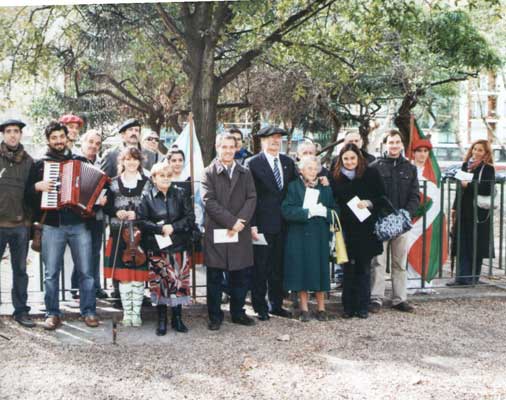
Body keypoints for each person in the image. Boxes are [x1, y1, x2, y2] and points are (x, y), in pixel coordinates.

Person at [26, 121, 99, 330]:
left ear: (68, 137)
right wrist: (36, 187)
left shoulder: (80, 160)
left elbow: (97, 187)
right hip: (51, 225)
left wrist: (99, 198)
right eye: (54, 138)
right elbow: (28, 196)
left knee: (86, 271)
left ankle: (88, 310)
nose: (58, 141)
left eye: (61, 137)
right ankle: (52, 313)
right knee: (51, 273)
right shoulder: (41, 164)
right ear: (48, 141)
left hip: (79, 224)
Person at [201, 133, 257, 330]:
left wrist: (240, 222)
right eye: (223, 147)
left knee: (240, 275)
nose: (227, 150)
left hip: (239, 230)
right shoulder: (208, 172)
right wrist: (232, 221)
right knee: (215, 276)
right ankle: (215, 316)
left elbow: (252, 197)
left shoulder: (245, 172)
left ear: (236, 148)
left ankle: (237, 312)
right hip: (217, 229)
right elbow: (209, 201)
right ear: (218, 147)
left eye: (231, 147)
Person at [245, 125, 297, 320]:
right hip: (262, 223)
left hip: (283, 224)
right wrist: (253, 224)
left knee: (278, 266)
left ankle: (276, 304)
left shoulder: (287, 162)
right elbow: (250, 197)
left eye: (278, 138)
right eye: (271, 138)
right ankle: (260, 306)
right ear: (262, 140)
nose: (275, 141)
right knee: (261, 267)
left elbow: (294, 190)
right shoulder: (252, 163)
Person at [138, 162, 195, 335]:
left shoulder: (180, 193)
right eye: (162, 176)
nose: (165, 179)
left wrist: (174, 227)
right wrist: (159, 228)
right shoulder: (146, 196)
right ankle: (161, 319)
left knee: (178, 284)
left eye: (168, 176)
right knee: (161, 284)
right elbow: (141, 221)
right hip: (157, 247)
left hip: (179, 244)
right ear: (154, 178)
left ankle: (177, 318)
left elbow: (190, 217)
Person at [331, 144, 386, 318]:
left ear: (359, 158)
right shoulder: (335, 176)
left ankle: (362, 306)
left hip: (365, 228)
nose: (349, 162)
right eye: (346, 158)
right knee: (347, 269)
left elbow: (382, 197)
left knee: (363, 268)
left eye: (352, 158)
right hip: (345, 229)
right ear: (341, 160)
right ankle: (348, 307)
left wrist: (368, 203)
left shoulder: (371, 174)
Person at [369, 130, 419, 313]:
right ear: (385, 144)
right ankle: (376, 298)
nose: (394, 145)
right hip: (382, 222)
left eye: (397, 142)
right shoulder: (375, 167)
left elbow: (415, 195)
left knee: (400, 262)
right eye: (391, 142)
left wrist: (406, 214)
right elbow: (372, 194)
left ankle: (399, 299)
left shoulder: (410, 168)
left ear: (402, 144)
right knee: (378, 262)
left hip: (402, 223)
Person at [282, 155, 335, 321]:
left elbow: (335, 210)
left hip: (319, 235)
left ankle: (321, 308)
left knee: (320, 269)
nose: (312, 172)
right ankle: (304, 308)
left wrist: (325, 212)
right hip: (299, 235)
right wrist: (307, 213)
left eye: (315, 168)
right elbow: (286, 210)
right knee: (301, 270)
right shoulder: (293, 187)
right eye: (309, 168)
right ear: (301, 170)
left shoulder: (325, 187)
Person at [103, 147, 150, 326]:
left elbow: (149, 206)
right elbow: (106, 206)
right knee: (124, 275)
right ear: (122, 161)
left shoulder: (147, 182)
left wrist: (137, 214)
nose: (131, 162)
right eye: (128, 159)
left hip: (139, 235)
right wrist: (117, 211)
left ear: (140, 162)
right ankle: (127, 314)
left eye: (135, 159)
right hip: (118, 232)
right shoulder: (113, 182)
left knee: (138, 275)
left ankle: (136, 314)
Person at [0, 119, 35, 328]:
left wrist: (28, 221)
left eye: (16, 131)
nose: (12, 135)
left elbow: (32, 194)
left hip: (20, 227)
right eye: (8, 131)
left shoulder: (29, 161)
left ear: (20, 135)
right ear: (3, 135)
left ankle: (21, 311)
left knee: (20, 270)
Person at [447, 139, 495, 286]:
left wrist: (470, 184)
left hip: (478, 212)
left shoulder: (487, 169)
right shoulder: (464, 166)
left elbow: (488, 189)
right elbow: (459, 190)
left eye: (480, 150)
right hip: (463, 210)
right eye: (474, 149)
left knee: (476, 245)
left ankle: (472, 277)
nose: (476, 152)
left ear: (486, 153)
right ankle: (461, 277)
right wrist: (454, 207)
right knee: (462, 243)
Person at [68, 130, 109, 299]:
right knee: (80, 252)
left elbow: (106, 187)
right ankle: (76, 286)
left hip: (96, 215)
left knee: (95, 252)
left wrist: (104, 199)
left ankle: (95, 287)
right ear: (82, 142)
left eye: (97, 144)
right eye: (90, 142)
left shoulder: (102, 164)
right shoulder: (73, 161)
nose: (93, 146)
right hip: (76, 215)